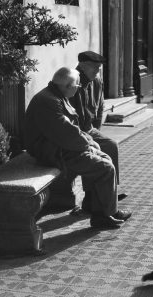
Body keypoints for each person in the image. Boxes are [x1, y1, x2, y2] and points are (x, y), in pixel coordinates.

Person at [25, 67, 131, 229]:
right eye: (77, 85)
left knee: (105, 157)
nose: (78, 88)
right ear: (67, 85)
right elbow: (65, 134)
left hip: (60, 147)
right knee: (104, 167)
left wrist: (88, 141)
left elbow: (72, 129)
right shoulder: (49, 101)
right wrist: (88, 144)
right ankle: (103, 216)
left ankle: (105, 210)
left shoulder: (56, 95)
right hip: (52, 152)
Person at [70, 51, 126, 213]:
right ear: (83, 67)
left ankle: (109, 192)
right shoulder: (74, 82)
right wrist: (87, 139)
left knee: (111, 145)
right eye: (94, 67)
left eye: (99, 68)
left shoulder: (97, 81)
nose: (97, 71)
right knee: (93, 153)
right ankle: (91, 196)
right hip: (76, 131)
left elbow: (100, 108)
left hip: (89, 128)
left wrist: (96, 131)